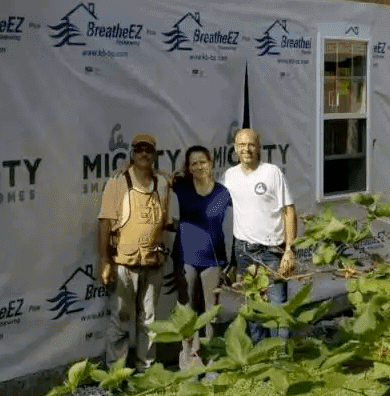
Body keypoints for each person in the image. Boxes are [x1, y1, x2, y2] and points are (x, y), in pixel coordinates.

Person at [97, 131, 171, 371]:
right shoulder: (118, 182)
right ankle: (116, 373)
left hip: (153, 262)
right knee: (121, 320)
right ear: (132, 153)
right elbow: (105, 224)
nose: (143, 153)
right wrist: (104, 261)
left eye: (148, 150)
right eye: (139, 149)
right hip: (123, 262)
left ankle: (146, 369)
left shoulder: (162, 183)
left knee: (149, 321)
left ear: (154, 154)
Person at [222, 127, 296, 341]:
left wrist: (289, 250)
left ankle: (280, 360)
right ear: (235, 148)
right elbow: (212, 201)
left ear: (259, 147)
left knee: (277, 308)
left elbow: (289, 211)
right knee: (253, 305)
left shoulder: (271, 172)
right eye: (242, 145)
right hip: (244, 251)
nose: (246, 149)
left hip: (272, 251)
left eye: (251, 144)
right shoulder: (230, 176)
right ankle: (259, 359)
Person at [170, 145, 232, 368]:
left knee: (211, 313)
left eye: (202, 162)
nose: (198, 166)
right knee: (187, 311)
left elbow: (230, 227)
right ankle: (188, 359)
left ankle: (210, 359)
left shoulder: (223, 193)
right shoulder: (180, 187)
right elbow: (157, 180)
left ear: (211, 163)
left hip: (213, 261)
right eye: (193, 163)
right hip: (185, 257)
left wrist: (229, 261)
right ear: (187, 167)